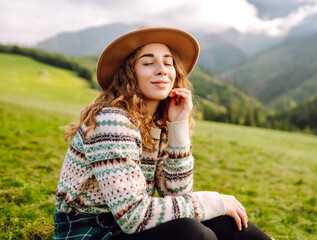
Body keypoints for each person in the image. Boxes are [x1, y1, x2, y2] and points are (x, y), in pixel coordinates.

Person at [53, 26, 273, 240]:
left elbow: (177, 194)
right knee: (193, 232)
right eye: (148, 62)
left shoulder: (158, 123)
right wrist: (213, 201)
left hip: (130, 227)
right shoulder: (112, 121)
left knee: (223, 220)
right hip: (93, 231)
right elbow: (133, 216)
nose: (162, 69)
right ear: (129, 73)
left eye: (168, 63)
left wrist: (178, 125)